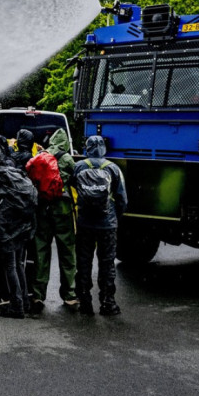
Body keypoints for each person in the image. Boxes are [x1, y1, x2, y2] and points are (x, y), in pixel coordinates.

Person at [0, 142, 38, 319]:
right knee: (18, 264)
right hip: (21, 225)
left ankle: (17, 306)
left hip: (5, 228)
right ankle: (24, 303)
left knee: (10, 266)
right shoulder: (16, 172)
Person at [72, 135, 128, 316]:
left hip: (85, 223)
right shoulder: (113, 168)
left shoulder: (79, 166)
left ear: (87, 148)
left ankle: (85, 302)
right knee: (107, 263)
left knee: (83, 262)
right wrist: (114, 217)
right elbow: (122, 200)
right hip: (107, 224)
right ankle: (108, 303)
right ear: (104, 148)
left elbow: (74, 188)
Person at [26, 128, 79, 313]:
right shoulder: (66, 159)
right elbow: (75, 181)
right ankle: (70, 295)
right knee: (67, 252)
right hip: (62, 210)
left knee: (41, 252)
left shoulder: (42, 156)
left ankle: (38, 295)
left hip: (42, 209)